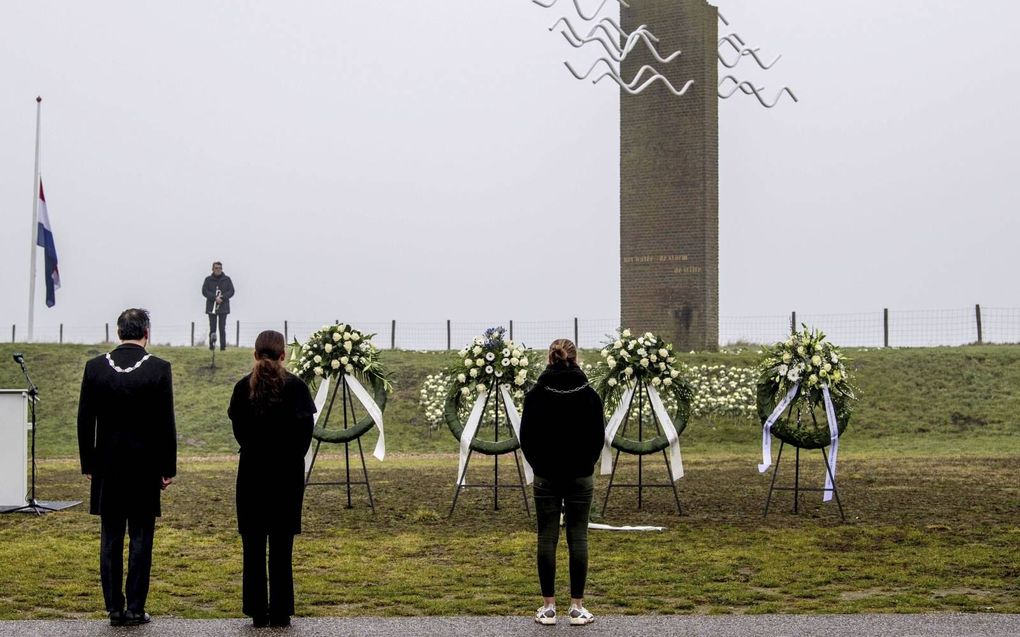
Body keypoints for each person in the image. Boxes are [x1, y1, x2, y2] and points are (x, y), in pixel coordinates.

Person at [76, 308, 177, 627]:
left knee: (110, 537)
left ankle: (113, 608)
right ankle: (135, 606)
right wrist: (167, 466)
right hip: (145, 466)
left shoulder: (95, 368)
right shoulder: (159, 369)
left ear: (119, 332)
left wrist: (88, 462)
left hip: (107, 464)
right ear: (147, 332)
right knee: (141, 537)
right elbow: (166, 422)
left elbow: (84, 419)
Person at [228, 330, 316, 627]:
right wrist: (289, 457)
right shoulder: (298, 388)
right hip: (286, 475)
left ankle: (256, 610)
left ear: (255, 354)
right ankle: (280, 611)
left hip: (252, 473)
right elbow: (305, 437)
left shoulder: (242, 388)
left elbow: (238, 431)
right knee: (281, 546)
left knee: (252, 546)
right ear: (283, 355)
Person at [519, 339, 605, 626]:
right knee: (578, 537)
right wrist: (586, 465)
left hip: (546, 476)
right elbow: (597, 439)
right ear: (576, 358)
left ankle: (548, 608)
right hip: (581, 476)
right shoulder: (591, 396)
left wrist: (539, 466)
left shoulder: (535, 396)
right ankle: (578, 607)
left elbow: (526, 439)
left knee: (546, 537)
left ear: (549, 358)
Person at [202, 261, 234, 351]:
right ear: (212, 269)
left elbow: (231, 291)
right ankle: (211, 346)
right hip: (211, 307)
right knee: (212, 328)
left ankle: (223, 347)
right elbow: (204, 291)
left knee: (222, 328)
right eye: (216, 268)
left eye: (220, 268)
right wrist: (214, 297)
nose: (218, 270)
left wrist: (222, 297)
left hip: (223, 307)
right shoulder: (208, 279)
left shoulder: (227, 279)